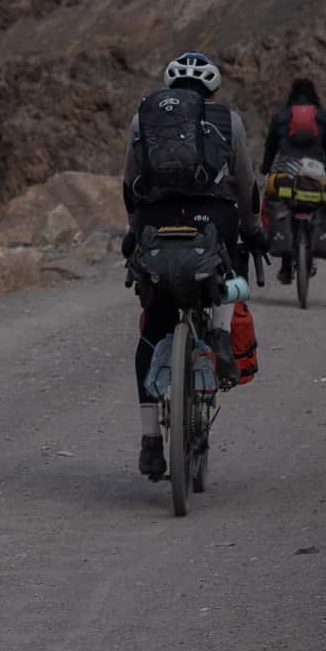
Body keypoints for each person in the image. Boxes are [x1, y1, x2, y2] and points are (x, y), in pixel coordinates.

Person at [122, 51, 261, 480]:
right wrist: (253, 231)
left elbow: (130, 184)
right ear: (211, 90)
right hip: (211, 223)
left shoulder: (142, 119)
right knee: (228, 265)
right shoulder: (228, 120)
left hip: (154, 226)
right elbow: (245, 183)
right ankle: (217, 336)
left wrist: (134, 234)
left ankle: (149, 442)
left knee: (153, 327)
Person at [260, 76, 326, 274]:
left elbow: (270, 147)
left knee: (274, 201)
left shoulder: (281, 116)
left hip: (286, 169)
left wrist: (266, 169)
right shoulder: (323, 116)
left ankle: (285, 259)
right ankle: (315, 243)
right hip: (316, 170)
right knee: (322, 204)